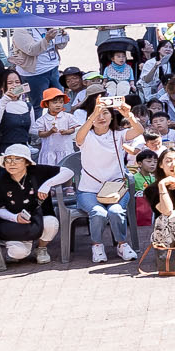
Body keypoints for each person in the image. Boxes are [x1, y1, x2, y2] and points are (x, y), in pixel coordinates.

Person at [72, 94, 144, 263]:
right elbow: (78, 138)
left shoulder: (118, 135)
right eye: (98, 114)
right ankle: (97, 245)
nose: (101, 117)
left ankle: (122, 244)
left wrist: (128, 114)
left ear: (112, 116)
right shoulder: (86, 135)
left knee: (115, 211)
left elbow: (139, 130)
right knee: (98, 213)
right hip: (88, 190)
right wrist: (93, 115)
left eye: (105, 113)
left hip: (116, 188)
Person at [0, 141, 65, 262]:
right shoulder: (0, 182)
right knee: (17, 253)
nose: (12, 163)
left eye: (17, 159)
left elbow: (68, 172)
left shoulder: (38, 171)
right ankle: (20, 244)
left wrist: (47, 185)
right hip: (13, 223)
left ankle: (41, 248)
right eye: (8, 159)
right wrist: (15, 217)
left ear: (27, 162)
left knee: (51, 223)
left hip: (39, 217)